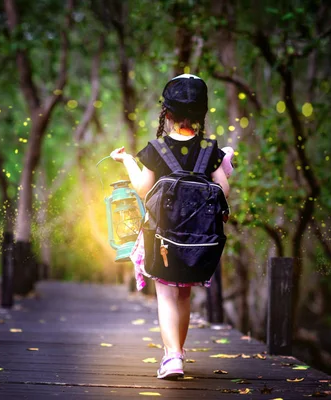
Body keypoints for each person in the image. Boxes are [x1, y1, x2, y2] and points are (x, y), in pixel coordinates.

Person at [110, 73, 230, 380]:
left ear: (168, 113)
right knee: (184, 296)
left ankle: (172, 356)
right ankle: (177, 352)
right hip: (198, 242)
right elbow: (223, 191)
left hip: (162, 239)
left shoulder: (155, 148)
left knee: (165, 296)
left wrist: (125, 160)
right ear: (201, 113)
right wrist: (224, 161)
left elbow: (142, 187)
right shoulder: (210, 149)